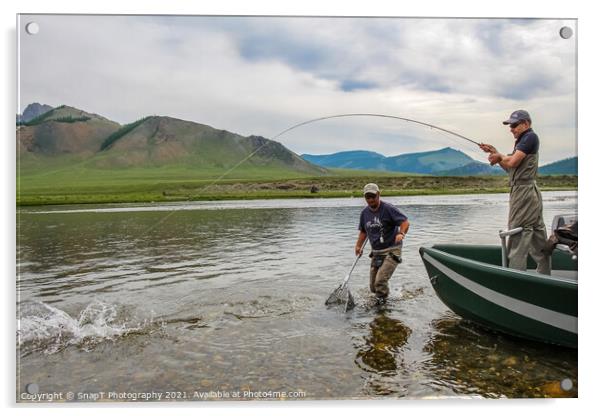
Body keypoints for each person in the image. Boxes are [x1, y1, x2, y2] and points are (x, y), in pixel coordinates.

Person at [480, 110, 551, 274]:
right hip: (529, 192)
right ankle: (545, 276)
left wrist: (499, 156)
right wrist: (494, 153)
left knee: (518, 234)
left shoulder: (529, 137)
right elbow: (509, 168)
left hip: (524, 193)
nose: (511, 128)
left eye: (514, 125)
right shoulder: (522, 141)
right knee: (537, 234)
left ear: (526, 123)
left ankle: (515, 280)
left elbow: (511, 161)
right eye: (510, 125)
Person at [355, 183, 410, 301]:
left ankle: (382, 308)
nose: (370, 200)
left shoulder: (388, 209)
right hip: (376, 252)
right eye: (367, 197)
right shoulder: (364, 213)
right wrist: (358, 246)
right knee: (373, 287)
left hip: (392, 249)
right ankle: (388, 297)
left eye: (373, 196)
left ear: (378, 195)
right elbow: (364, 231)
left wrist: (401, 233)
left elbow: (405, 222)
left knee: (380, 282)